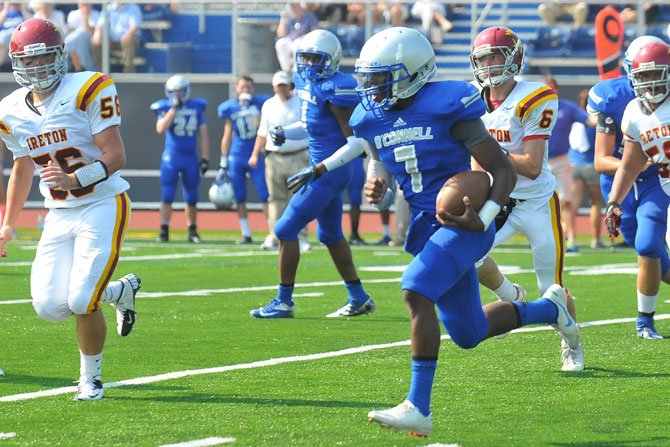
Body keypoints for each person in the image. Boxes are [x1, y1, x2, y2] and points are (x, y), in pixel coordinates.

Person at [349, 26, 581, 437]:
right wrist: (377, 186)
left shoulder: (446, 103)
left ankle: (418, 407)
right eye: (370, 77)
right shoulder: (370, 117)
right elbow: (379, 161)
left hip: (465, 221)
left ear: (413, 72)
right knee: (468, 333)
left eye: (382, 76)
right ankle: (551, 308)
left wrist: (487, 216)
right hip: (425, 227)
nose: (372, 87)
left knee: (415, 287)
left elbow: (503, 169)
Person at [0, 18, 141, 400]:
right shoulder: (10, 110)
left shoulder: (87, 88)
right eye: (28, 62)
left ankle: (90, 378)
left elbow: (116, 157)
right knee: (48, 306)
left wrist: (75, 180)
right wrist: (7, 225)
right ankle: (118, 292)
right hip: (59, 213)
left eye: (44, 58)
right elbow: (23, 167)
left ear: (60, 56)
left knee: (81, 300)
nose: (37, 68)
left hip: (101, 203)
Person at [469, 27, 584, 371]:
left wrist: (491, 151)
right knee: (468, 255)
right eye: (483, 58)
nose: (488, 65)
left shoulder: (534, 96)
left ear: (513, 58)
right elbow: (477, 161)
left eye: (495, 56)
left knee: (552, 288)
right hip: (498, 198)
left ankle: (572, 343)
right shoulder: (471, 98)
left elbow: (533, 166)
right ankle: (510, 297)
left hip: (536, 203)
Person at [249, 29, 375, 319]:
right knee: (330, 234)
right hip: (323, 168)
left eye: (315, 59)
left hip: (331, 169)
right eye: (304, 58)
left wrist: (320, 168)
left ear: (330, 60)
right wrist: (285, 132)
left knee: (283, 229)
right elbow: (310, 125)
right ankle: (358, 296)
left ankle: (283, 301)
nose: (308, 65)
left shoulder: (336, 89)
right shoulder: (307, 83)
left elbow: (356, 144)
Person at [589, 35, 670, 339]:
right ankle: (645, 322)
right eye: (643, 74)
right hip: (664, 186)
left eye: (655, 73)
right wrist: (613, 201)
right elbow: (630, 164)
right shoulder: (634, 112)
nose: (650, 81)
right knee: (649, 245)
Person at [248, 70, 310, 252]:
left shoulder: (300, 102)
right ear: (274, 87)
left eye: (284, 85)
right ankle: (274, 235)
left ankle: (301, 237)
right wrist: (254, 154)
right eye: (278, 85)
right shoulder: (268, 105)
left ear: (290, 86)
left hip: (298, 155)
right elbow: (262, 131)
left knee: (298, 198)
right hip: (274, 157)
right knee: (275, 199)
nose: (282, 89)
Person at [150, 75, 210, 243]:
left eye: (181, 91)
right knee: (167, 195)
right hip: (172, 158)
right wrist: (173, 110)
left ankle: (192, 230)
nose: (178, 95)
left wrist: (205, 157)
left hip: (190, 158)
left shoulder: (197, 106)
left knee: (191, 196)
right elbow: (160, 129)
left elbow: (203, 134)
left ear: (187, 91)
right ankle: (164, 230)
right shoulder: (165, 107)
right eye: (174, 92)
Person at [544, 77, 598, 252]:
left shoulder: (566, 107)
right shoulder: (532, 108)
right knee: (536, 201)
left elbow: (590, 120)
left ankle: (571, 238)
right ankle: (542, 238)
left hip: (560, 159)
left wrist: (606, 117)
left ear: (556, 90)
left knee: (566, 201)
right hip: (538, 160)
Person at [217, 75, 271, 245]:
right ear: (237, 89)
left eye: (249, 87)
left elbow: (263, 129)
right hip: (237, 155)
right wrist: (223, 160)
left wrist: (254, 113)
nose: (245, 90)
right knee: (239, 196)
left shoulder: (261, 104)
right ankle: (246, 233)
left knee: (265, 194)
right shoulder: (230, 107)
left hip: (255, 154)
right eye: (243, 87)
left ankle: (273, 233)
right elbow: (227, 135)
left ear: (253, 89)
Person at [568, 90, 604, 250]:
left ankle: (571, 238)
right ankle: (596, 239)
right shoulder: (594, 120)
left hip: (573, 165)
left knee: (572, 204)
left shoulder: (573, 117)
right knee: (595, 203)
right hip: (590, 165)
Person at [91, 2, 142, 73]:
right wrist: (97, 34)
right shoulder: (108, 8)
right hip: (110, 41)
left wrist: (128, 34)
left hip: (127, 39)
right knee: (96, 41)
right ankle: (101, 72)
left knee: (128, 40)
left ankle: (128, 71)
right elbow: (100, 25)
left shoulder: (133, 8)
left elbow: (134, 27)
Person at [274, 2, 318, 73]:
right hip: (289, 40)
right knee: (280, 43)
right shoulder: (288, 17)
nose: (295, 8)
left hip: (303, 40)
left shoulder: (309, 16)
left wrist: (305, 36)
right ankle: (286, 70)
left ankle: (296, 70)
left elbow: (315, 32)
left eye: (296, 5)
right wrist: (283, 19)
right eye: (292, 6)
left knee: (297, 44)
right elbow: (280, 34)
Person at [64, 2, 100, 72]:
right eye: (83, 4)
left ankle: (66, 45)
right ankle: (88, 68)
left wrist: (85, 16)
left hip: (91, 40)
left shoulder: (96, 14)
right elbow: (71, 32)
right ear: (79, 4)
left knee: (82, 34)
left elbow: (93, 31)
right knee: (80, 41)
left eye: (87, 3)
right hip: (77, 42)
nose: (85, 6)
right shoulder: (73, 14)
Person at [0, 3, 32, 68]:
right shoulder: (5, 12)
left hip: (19, 36)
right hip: (5, 37)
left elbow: (31, 22)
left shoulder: (25, 12)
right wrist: (6, 9)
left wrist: (22, 9)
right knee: (4, 37)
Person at [345, 157, 367, 245]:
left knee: (356, 200)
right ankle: (327, 232)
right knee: (329, 197)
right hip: (340, 160)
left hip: (355, 160)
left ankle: (354, 233)